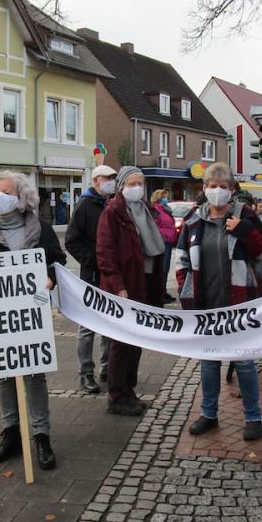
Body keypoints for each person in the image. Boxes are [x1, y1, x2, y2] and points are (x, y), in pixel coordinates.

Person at [0, 171, 66, 470]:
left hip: (30, 315)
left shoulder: (40, 229)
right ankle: (10, 434)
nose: (0, 197)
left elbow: (58, 261)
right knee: (4, 374)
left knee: (35, 374)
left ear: (22, 199)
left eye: (7, 192)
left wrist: (49, 277)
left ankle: (41, 435)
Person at [177, 162, 262, 441]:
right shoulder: (194, 220)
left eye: (223, 186)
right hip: (206, 304)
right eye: (211, 185)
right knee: (209, 363)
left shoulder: (245, 215)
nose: (217, 191)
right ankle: (209, 413)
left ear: (232, 190)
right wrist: (185, 288)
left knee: (244, 363)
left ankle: (253, 417)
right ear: (204, 189)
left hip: (240, 303)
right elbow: (182, 258)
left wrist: (243, 230)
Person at [96, 166, 165, 416]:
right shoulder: (113, 212)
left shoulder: (144, 210)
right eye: (132, 183)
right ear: (122, 186)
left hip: (144, 283)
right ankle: (117, 395)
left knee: (136, 341)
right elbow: (105, 254)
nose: (137, 187)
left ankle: (129, 389)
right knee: (121, 343)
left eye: (141, 183)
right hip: (124, 288)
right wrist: (118, 286)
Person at [65, 165, 117, 393]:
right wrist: (91, 260)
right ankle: (86, 373)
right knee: (88, 326)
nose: (111, 182)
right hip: (92, 274)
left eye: (113, 179)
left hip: (111, 275)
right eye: (108, 179)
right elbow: (71, 240)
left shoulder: (113, 203)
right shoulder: (85, 205)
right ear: (96, 181)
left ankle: (107, 367)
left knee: (110, 324)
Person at [151, 188, 177, 303]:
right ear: (159, 198)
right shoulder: (156, 210)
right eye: (164, 197)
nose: (166, 199)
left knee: (166, 269)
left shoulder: (166, 210)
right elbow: (155, 226)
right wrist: (163, 236)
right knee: (162, 269)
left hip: (169, 242)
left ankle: (163, 291)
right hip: (163, 242)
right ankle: (160, 293)